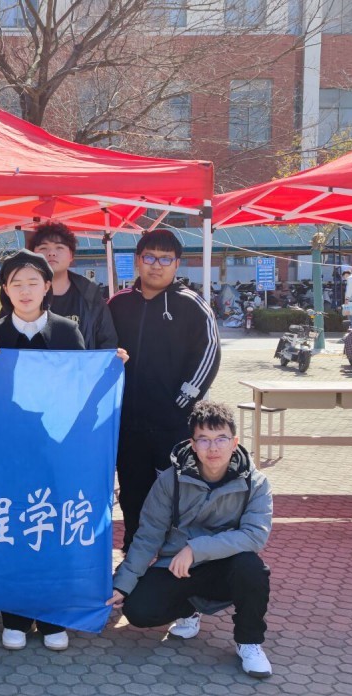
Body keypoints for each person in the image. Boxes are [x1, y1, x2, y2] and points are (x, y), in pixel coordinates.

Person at [0, 249, 126, 652]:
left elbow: (80, 387)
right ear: (4, 290)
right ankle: (14, 615)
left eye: (33, 282)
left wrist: (109, 367)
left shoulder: (67, 331)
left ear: (46, 287)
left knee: (52, 529)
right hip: (6, 453)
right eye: (16, 283)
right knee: (10, 528)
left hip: (56, 450)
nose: (25, 291)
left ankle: (53, 614)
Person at [107, 401, 274, 679]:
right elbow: (148, 535)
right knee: (138, 610)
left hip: (225, 566)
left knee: (252, 570)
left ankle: (249, 642)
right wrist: (123, 583)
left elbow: (254, 535)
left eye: (221, 439)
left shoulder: (255, 483)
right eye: (204, 440)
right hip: (177, 567)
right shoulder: (170, 480)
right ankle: (190, 610)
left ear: (234, 442)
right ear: (192, 444)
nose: (213, 448)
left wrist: (195, 550)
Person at [108, 229, 220, 552]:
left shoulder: (191, 305)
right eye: (150, 257)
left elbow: (209, 353)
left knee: (175, 495)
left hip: (173, 425)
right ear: (137, 261)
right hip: (127, 425)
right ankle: (134, 554)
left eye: (165, 259)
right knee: (132, 493)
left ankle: (173, 559)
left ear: (177, 264)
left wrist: (181, 403)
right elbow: (99, 348)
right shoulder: (117, 304)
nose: (156, 265)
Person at [24, 222, 117, 350]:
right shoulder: (20, 294)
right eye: (43, 248)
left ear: (71, 256)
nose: (51, 253)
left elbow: (107, 341)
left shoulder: (90, 295)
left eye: (59, 247)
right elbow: (5, 337)